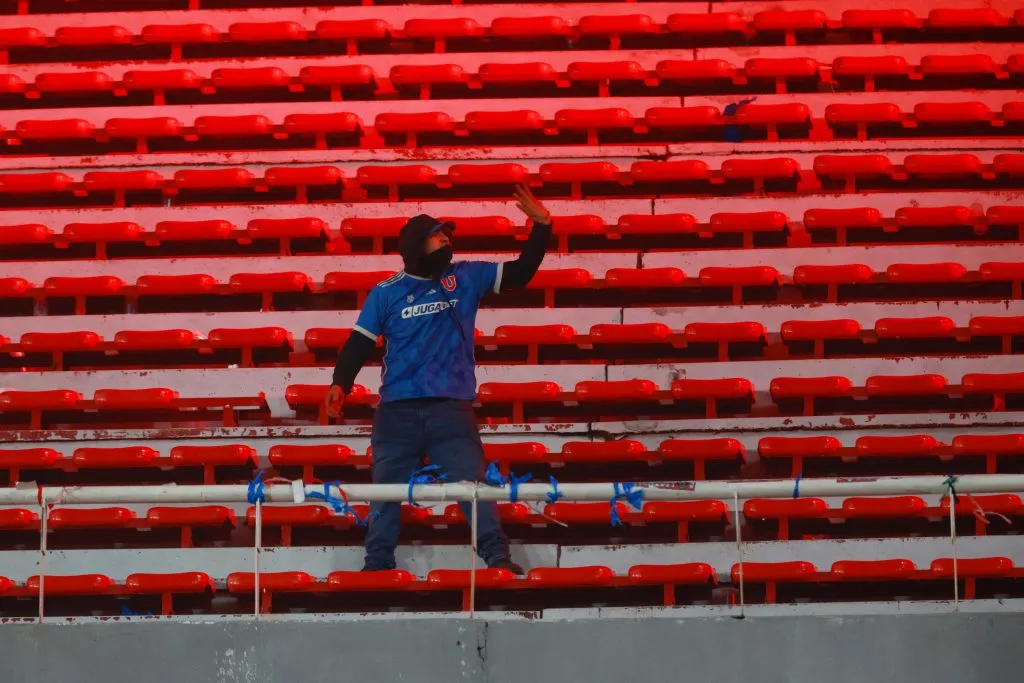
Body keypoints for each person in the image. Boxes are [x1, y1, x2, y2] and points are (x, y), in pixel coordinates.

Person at [325, 184, 552, 573]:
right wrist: (339, 384)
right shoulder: (385, 292)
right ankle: (377, 565)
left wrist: (542, 225)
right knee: (385, 492)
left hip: (451, 408)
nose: (447, 239)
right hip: (396, 411)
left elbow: (520, 272)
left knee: (474, 487)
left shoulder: (466, 276)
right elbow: (359, 343)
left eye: (447, 234)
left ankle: (497, 557)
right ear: (416, 244)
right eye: (437, 235)